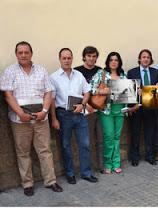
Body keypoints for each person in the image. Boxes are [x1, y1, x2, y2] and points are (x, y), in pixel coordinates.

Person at [0, 41, 62, 196]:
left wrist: (45, 111)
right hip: (19, 121)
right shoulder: (9, 71)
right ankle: (27, 184)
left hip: (41, 119)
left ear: (31, 53)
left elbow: (48, 92)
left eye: (26, 52)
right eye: (20, 52)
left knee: (45, 150)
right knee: (23, 152)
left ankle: (51, 181)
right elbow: (8, 95)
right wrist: (20, 114)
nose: (23, 55)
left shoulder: (41, 70)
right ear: (16, 54)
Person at [50, 48, 98, 184]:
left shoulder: (79, 75)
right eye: (64, 58)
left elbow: (87, 92)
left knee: (85, 144)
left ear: (72, 59)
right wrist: (54, 119)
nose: (66, 60)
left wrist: (83, 104)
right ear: (60, 59)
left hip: (80, 113)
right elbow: (52, 100)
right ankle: (70, 174)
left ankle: (86, 173)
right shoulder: (53, 78)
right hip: (63, 115)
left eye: (69, 58)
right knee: (66, 145)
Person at [90, 52, 126, 174]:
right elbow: (90, 89)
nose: (114, 62)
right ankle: (107, 163)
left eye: (116, 60)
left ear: (119, 62)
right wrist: (102, 91)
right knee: (108, 137)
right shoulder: (102, 74)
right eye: (111, 60)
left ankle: (116, 163)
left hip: (120, 110)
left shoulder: (123, 75)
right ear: (108, 61)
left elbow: (128, 92)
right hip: (107, 111)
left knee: (117, 137)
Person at [127, 49, 158, 167]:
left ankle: (149, 156)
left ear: (150, 59)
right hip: (136, 108)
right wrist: (136, 92)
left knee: (149, 133)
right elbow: (128, 91)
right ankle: (135, 157)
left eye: (148, 57)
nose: (146, 59)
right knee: (135, 133)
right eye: (143, 57)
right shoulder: (131, 72)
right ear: (139, 59)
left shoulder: (155, 72)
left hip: (151, 108)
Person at [74, 46, 104, 173]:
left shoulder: (101, 71)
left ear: (96, 58)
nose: (91, 58)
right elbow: (75, 91)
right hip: (86, 111)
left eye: (94, 56)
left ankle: (101, 166)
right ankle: (90, 167)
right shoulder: (77, 72)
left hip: (100, 109)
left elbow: (104, 88)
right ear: (84, 57)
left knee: (101, 139)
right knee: (88, 141)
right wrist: (85, 104)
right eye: (89, 56)